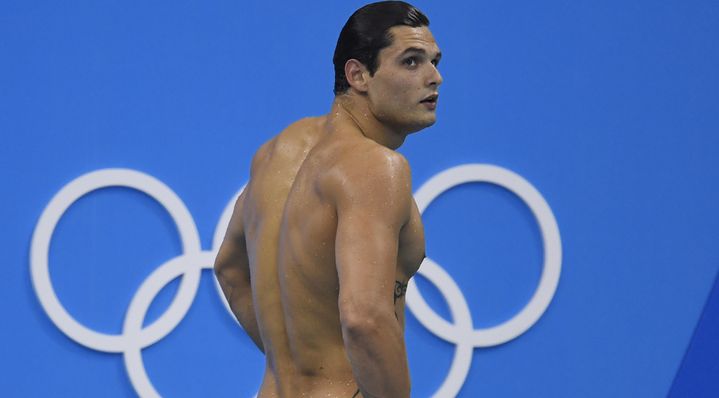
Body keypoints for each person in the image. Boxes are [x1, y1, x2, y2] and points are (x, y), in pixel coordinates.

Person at [214, 2, 442, 397]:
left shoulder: (276, 153)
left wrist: (293, 359)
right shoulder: (375, 167)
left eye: (435, 61)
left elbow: (230, 270)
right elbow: (364, 317)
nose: (434, 77)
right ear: (358, 75)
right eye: (410, 62)